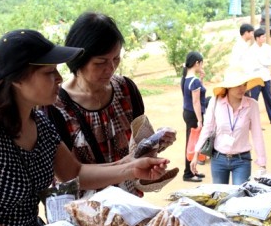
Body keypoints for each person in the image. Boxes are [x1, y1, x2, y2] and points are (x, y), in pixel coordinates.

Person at [0, 29, 169, 226]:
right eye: (48, 72)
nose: (59, 78)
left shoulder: (39, 123)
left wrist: (131, 169)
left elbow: (75, 172)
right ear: (18, 79)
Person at [47, 12, 176, 197]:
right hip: (83, 213)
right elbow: (68, 175)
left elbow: (138, 147)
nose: (110, 68)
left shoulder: (126, 89)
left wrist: (156, 143)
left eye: (116, 59)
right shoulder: (55, 108)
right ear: (78, 60)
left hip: (129, 206)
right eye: (100, 62)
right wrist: (129, 167)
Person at [190, 67, 267, 185]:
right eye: (238, 85)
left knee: (239, 197)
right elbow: (208, 128)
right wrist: (196, 154)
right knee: (220, 198)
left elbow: (257, 134)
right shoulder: (215, 102)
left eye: (244, 84)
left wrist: (262, 162)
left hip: (242, 160)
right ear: (228, 87)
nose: (242, 89)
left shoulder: (252, 105)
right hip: (218, 158)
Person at [248, 28, 271, 125]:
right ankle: (252, 122)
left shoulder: (267, 47)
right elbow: (256, 63)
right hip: (255, 78)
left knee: (269, 98)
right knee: (254, 100)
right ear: (257, 38)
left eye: (265, 36)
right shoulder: (252, 50)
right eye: (262, 37)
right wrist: (265, 62)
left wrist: (264, 63)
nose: (264, 38)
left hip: (266, 76)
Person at [181, 51, 207, 182]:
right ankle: (188, 173)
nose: (202, 66)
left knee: (191, 143)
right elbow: (196, 102)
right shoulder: (194, 81)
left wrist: (201, 78)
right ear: (197, 63)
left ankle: (191, 171)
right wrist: (200, 120)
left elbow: (199, 95)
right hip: (193, 114)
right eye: (201, 63)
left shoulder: (187, 78)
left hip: (187, 112)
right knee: (192, 144)